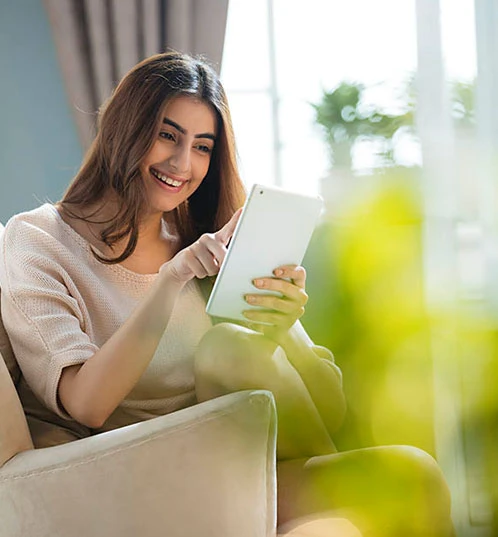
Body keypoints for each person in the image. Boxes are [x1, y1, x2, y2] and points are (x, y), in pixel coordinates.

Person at [0, 51, 454, 537]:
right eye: (167, 135)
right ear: (124, 130)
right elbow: (85, 403)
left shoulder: (209, 239)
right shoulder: (40, 241)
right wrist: (170, 282)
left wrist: (283, 334)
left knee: (413, 473)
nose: (182, 162)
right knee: (227, 347)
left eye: (203, 146)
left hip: (238, 468)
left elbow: (331, 409)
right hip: (146, 481)